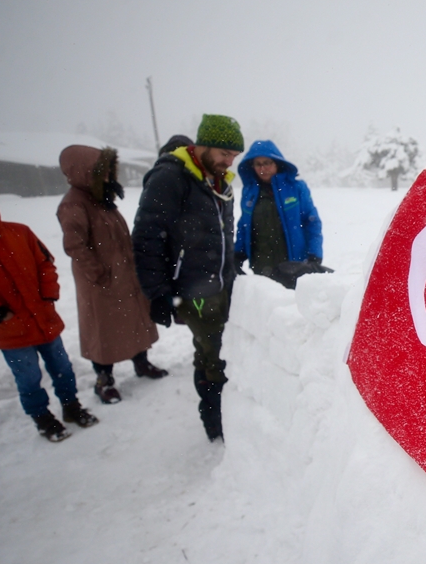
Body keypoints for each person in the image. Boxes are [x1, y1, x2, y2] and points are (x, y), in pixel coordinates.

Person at [0, 178, 99, 441]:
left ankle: (71, 407)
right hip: (10, 329)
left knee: (63, 368)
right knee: (28, 378)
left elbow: (45, 264)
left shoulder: (19, 232)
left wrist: (48, 294)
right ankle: (42, 418)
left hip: (45, 319)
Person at [132, 114, 242, 442]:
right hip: (193, 288)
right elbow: (147, 237)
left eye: (234, 156)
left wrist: (232, 266)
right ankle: (216, 421)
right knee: (213, 356)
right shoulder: (171, 177)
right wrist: (158, 292)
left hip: (221, 282)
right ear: (202, 145)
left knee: (219, 349)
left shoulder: (219, 181)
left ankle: (225, 410)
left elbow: (224, 232)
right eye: (224, 153)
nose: (229, 161)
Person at [57, 144, 167, 404]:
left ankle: (142, 363)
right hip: (101, 283)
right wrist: (99, 274)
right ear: (83, 171)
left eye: (108, 167)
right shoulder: (74, 204)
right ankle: (103, 381)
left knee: (135, 321)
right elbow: (75, 245)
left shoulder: (101, 197)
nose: (107, 172)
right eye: (100, 168)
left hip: (125, 274)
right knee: (103, 333)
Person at [234, 140, 324, 288]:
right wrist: (238, 253)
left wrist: (315, 254)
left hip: (294, 266)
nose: (263, 168)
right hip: (261, 266)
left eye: (267, 162)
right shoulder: (249, 192)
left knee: (291, 307)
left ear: (277, 163)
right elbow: (244, 225)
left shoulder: (296, 187)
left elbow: (312, 221)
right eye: (258, 164)